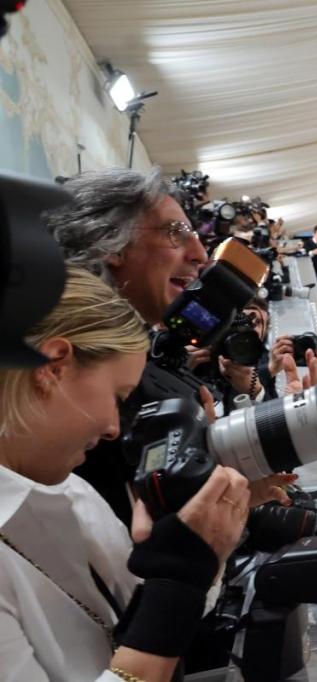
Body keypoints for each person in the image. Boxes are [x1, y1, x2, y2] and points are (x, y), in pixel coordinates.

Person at [0, 267, 251, 682]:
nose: (115, 428)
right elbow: (153, 638)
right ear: (53, 366)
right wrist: (178, 582)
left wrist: (198, 540)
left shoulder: (71, 490)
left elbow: (141, 625)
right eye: (117, 397)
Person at [48, 168, 292, 527]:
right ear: (108, 241)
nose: (200, 254)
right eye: (176, 233)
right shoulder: (75, 362)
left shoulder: (147, 353)